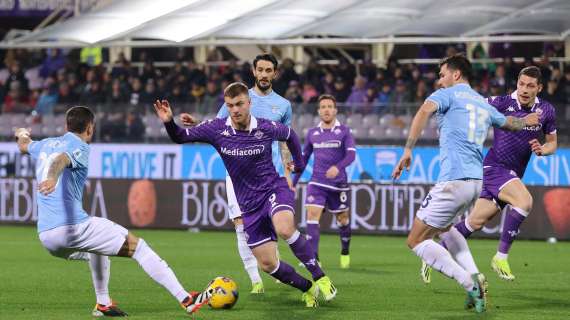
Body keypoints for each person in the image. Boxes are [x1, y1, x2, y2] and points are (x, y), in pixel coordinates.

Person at [155, 82, 337, 308]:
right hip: (249, 205)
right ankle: (308, 288)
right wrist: (168, 122)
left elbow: (290, 135)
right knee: (268, 264)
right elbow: (180, 137)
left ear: (249, 103)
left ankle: (321, 277)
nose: (235, 110)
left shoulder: (266, 127)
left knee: (284, 227)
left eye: (239, 104)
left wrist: (298, 164)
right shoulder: (216, 129)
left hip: (273, 189)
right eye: (230, 105)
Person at [14, 106, 207, 317]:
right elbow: (62, 159)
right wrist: (52, 176)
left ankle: (103, 303)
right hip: (71, 227)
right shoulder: (80, 146)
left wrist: (22, 133)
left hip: (47, 237)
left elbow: (24, 145)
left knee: (98, 251)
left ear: (66, 126)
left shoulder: (45, 144)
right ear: (89, 128)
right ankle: (186, 299)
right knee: (139, 247)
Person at [391, 54, 539, 313]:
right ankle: (475, 275)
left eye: (442, 74)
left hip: (453, 180)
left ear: (456, 74)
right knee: (447, 229)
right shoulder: (482, 103)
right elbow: (510, 124)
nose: (440, 80)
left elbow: (423, 111)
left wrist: (407, 150)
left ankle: (468, 283)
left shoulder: (448, 94)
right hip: (475, 183)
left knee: (415, 240)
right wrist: (527, 121)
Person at [423, 66, 557, 282]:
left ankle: (432, 255)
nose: (524, 89)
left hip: (512, 175)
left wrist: (543, 150)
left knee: (473, 223)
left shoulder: (547, 111)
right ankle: (500, 257)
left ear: (539, 88)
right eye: (521, 84)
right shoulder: (502, 103)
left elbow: (552, 144)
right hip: (495, 168)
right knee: (524, 202)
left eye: (530, 86)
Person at [179, 53, 293, 294]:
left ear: (275, 73)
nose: (263, 74)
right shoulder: (238, 96)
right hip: (238, 173)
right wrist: (196, 123)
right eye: (260, 69)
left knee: (276, 224)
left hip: (268, 176)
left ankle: (276, 265)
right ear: (254, 71)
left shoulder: (283, 105)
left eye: (268, 70)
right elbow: (218, 126)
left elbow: (284, 140)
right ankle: (256, 280)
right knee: (240, 224)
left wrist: (288, 169)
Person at [293, 94, 356, 268]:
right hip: (317, 183)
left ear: (335, 110)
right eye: (323, 107)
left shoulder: (344, 131)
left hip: (338, 184)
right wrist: (294, 182)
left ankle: (345, 250)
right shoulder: (313, 133)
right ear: (319, 111)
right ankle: (314, 259)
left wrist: (339, 166)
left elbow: (351, 154)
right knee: (312, 216)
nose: (326, 109)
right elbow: (303, 160)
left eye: (329, 106)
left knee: (343, 220)